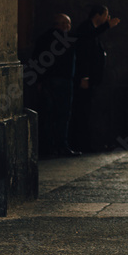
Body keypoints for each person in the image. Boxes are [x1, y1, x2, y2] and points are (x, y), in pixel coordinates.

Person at [71, 4, 120, 152]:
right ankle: (82, 144)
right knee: (83, 112)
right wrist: (84, 76)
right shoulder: (86, 28)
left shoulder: (93, 30)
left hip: (92, 79)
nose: (108, 18)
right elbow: (83, 54)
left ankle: (89, 143)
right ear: (98, 15)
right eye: (106, 15)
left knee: (89, 111)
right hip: (84, 79)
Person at [32, 13, 79, 157]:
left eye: (68, 24)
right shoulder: (65, 39)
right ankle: (60, 146)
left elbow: (36, 60)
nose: (67, 27)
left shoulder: (43, 38)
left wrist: (38, 80)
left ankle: (49, 148)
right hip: (60, 81)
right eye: (65, 24)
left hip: (47, 81)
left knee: (48, 115)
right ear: (57, 25)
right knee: (61, 115)